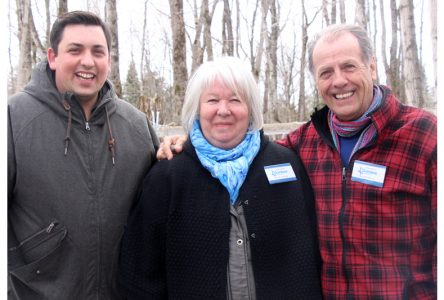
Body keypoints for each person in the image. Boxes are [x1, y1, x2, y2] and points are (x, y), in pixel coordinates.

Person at [157, 24, 437, 299]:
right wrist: (193, 145)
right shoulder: (303, 144)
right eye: (326, 72)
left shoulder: (425, 135)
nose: (338, 81)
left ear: (372, 66)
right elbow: (245, 151)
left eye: (349, 66)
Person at [118, 56, 322, 299]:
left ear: (250, 109)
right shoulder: (167, 176)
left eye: (235, 100)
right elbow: (140, 275)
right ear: (197, 109)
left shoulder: (286, 165)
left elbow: (309, 258)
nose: (223, 110)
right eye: (212, 100)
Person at [8, 11, 159, 299]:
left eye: (97, 52)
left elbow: (157, 207)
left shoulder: (137, 126)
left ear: (109, 62)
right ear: (53, 57)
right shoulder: (14, 121)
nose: (87, 61)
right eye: (75, 50)